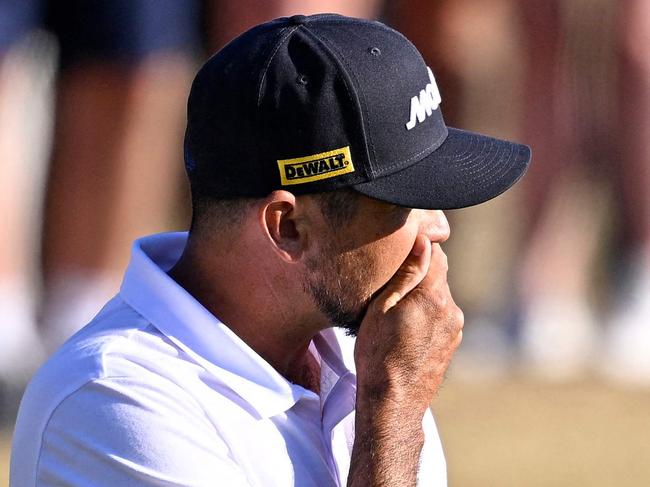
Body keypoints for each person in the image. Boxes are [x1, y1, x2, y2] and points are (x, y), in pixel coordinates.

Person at [10, 14, 531, 486]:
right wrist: (391, 412)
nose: (438, 227)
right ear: (287, 229)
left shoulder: (363, 352)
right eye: (401, 205)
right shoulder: (116, 404)